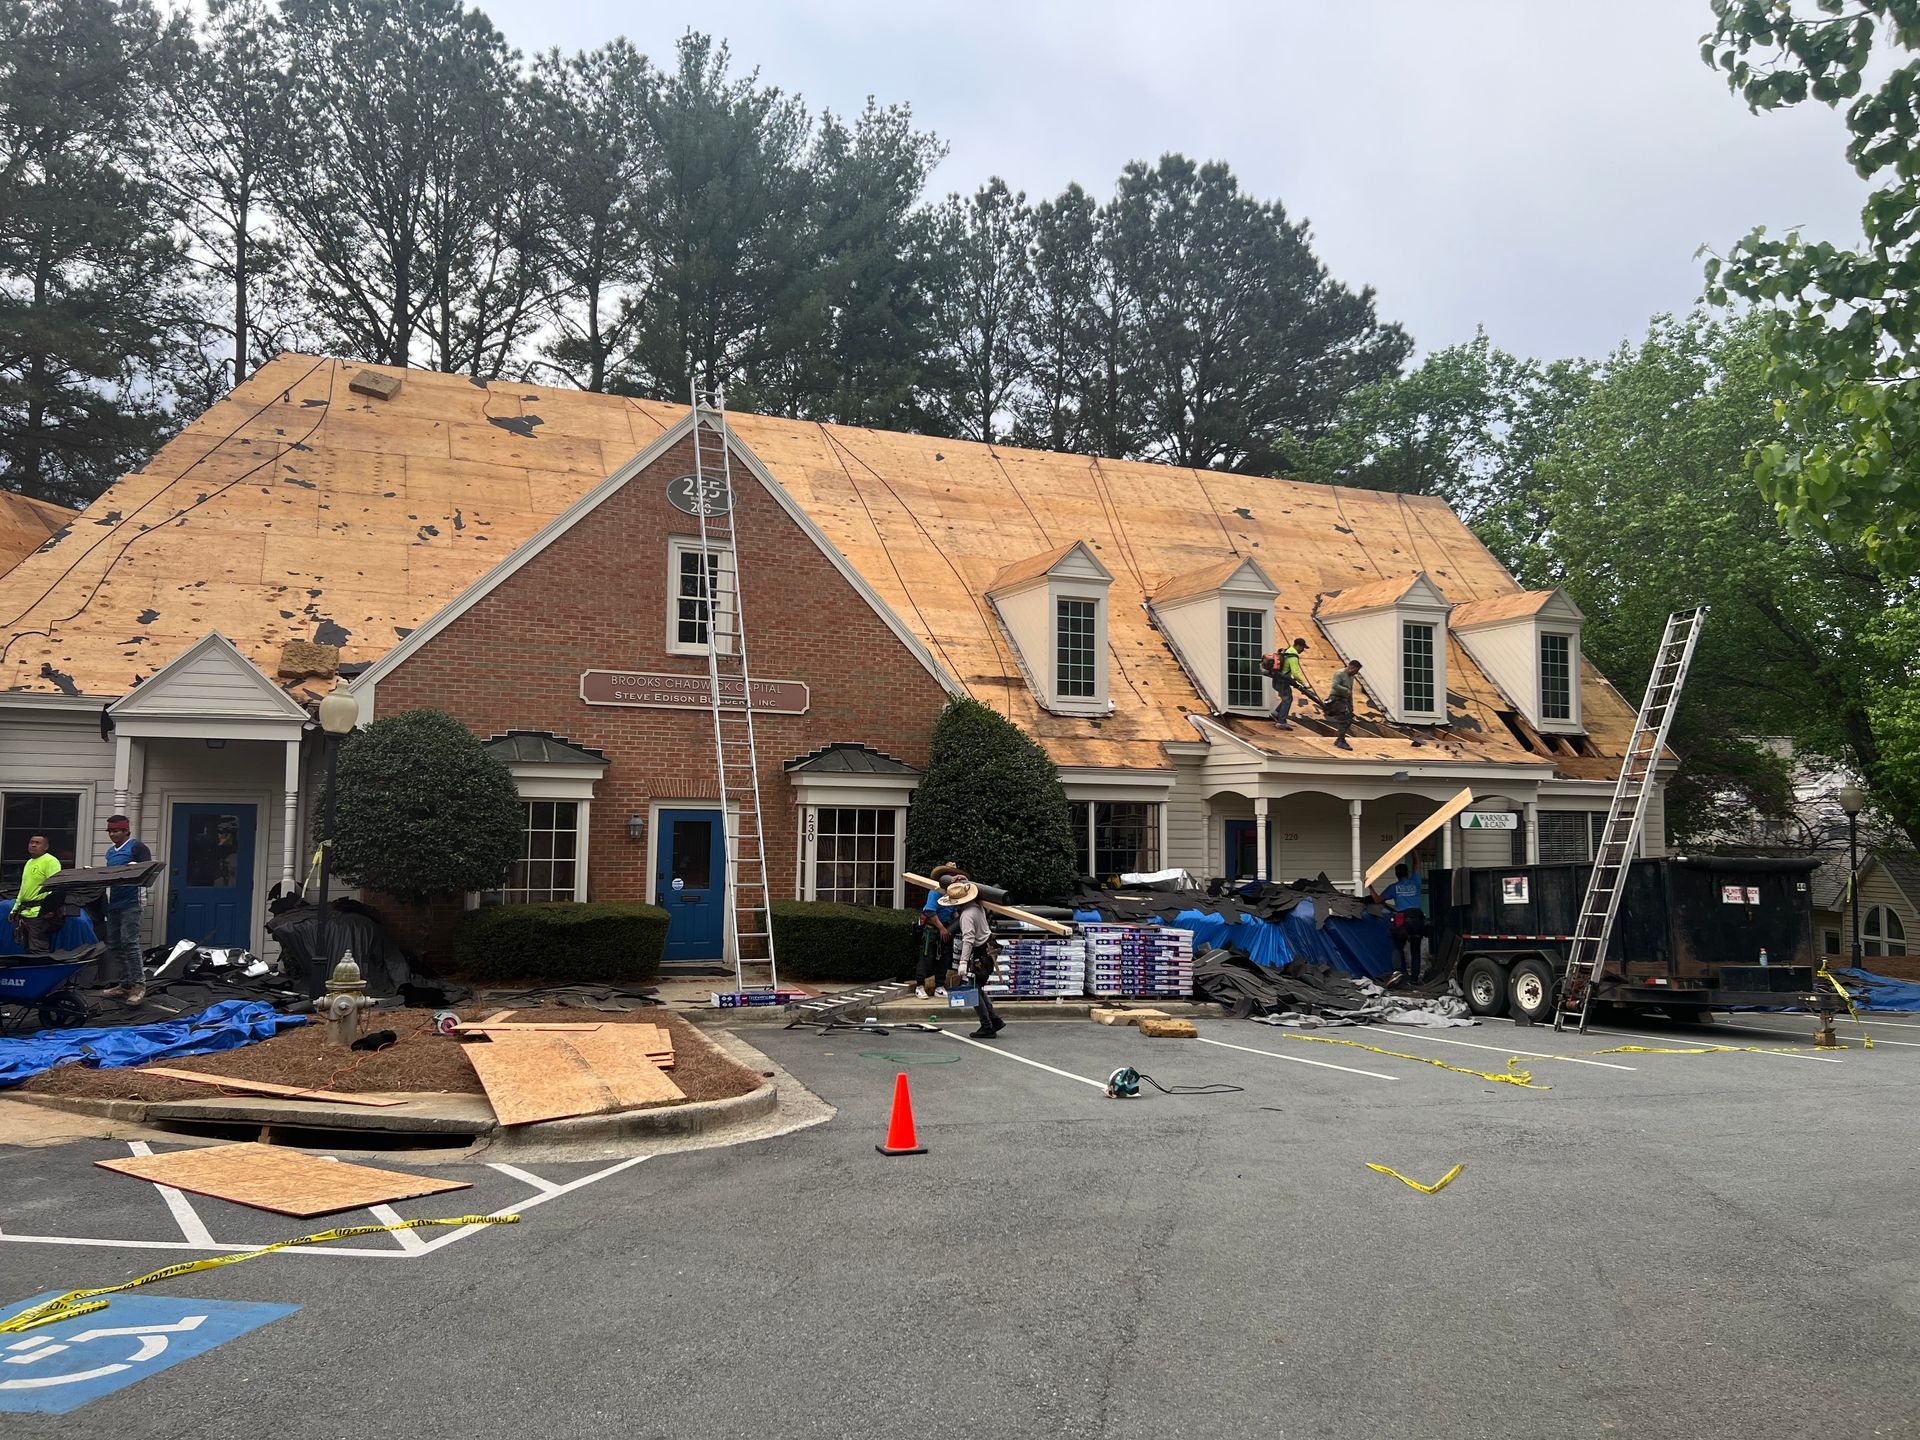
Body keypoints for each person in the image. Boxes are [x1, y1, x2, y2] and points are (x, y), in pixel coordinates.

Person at [98, 814, 152, 1004]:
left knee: (130, 942)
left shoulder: (137, 847)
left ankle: (139, 985)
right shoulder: (111, 853)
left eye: (117, 830)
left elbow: (147, 869)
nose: (113, 834)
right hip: (115, 902)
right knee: (115, 944)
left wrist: (135, 867)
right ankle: (125, 984)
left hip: (132, 902)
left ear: (126, 830)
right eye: (110, 831)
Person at [946, 876, 1005, 1040]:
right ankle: (994, 1020)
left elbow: (968, 939)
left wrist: (963, 962)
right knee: (977, 988)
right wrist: (964, 880)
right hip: (989, 950)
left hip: (981, 955)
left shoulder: (966, 916)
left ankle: (987, 1025)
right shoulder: (978, 907)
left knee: (972, 990)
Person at [11, 834, 62, 955]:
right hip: (25, 913)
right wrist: (14, 910)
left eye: (38, 843)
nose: (33, 845)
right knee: (27, 948)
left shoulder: (50, 861)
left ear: (46, 847)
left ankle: (44, 972)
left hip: (39, 913)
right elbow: (24, 889)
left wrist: (49, 909)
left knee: (38, 949)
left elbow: (56, 886)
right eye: (31, 842)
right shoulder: (29, 862)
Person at [916, 861, 961, 998]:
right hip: (933, 928)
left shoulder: (953, 893)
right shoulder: (935, 891)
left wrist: (956, 921)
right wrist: (941, 928)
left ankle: (939, 986)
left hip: (947, 927)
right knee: (927, 956)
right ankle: (919, 986)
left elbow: (953, 910)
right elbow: (930, 911)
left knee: (944, 958)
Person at [1384, 862, 1426, 982]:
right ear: (1407, 873)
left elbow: (1377, 899)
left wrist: (1370, 886)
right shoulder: (1415, 882)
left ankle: (1398, 971)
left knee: (1398, 946)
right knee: (1415, 950)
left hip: (1403, 919)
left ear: (1396, 874)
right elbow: (1417, 865)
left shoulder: (1394, 887)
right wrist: (1413, 849)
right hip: (1418, 918)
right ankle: (1414, 979)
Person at [1269, 637, 1317, 728]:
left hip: (1277, 679)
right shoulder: (1293, 656)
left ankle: (1276, 714)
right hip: (1282, 681)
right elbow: (1295, 673)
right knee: (1288, 699)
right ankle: (1281, 722)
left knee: (1286, 698)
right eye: (1303, 648)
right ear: (1298, 646)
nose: (1303, 650)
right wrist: (1305, 684)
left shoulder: (1287, 651)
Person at [1323, 658, 1363, 751]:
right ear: (1351, 667)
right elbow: (1335, 685)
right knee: (1344, 719)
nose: (1356, 673)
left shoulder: (1351, 676)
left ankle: (1340, 739)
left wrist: (1351, 704)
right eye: (1356, 670)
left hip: (1345, 700)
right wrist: (1346, 690)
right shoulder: (1340, 673)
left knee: (1349, 719)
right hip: (1336, 698)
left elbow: (1350, 691)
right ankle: (1341, 741)